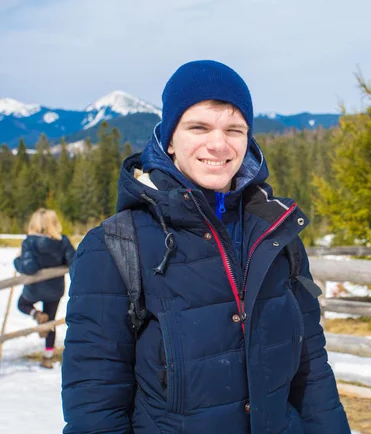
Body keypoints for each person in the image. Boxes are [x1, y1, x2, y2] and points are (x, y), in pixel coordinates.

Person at [62, 60, 351, 433]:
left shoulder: (276, 234)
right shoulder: (115, 246)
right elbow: (95, 406)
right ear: (169, 139)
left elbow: (311, 374)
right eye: (199, 127)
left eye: (235, 129)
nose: (219, 144)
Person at [13, 208, 75, 369]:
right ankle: (47, 357)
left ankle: (37, 314)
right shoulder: (63, 241)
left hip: (34, 288)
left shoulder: (30, 242)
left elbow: (29, 267)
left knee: (22, 304)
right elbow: (73, 261)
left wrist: (16, 261)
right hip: (55, 289)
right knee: (51, 321)